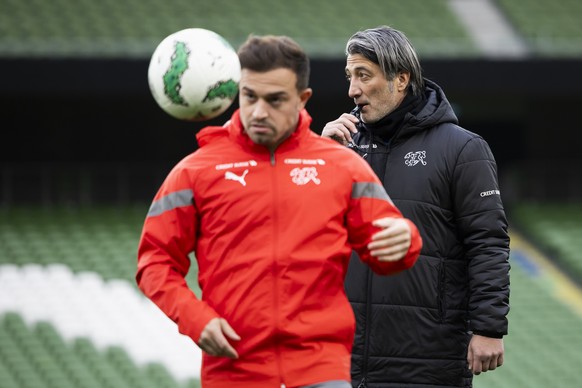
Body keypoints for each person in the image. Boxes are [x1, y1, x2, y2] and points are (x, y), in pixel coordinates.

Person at [136, 34, 423, 388]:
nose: (259, 111)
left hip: (321, 368)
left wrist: (406, 241)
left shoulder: (341, 166)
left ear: (302, 100)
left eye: (275, 100)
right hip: (234, 371)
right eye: (249, 96)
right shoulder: (194, 171)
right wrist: (195, 319)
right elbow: (154, 261)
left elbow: (389, 250)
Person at [321, 26, 510, 388]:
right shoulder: (337, 150)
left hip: (427, 358)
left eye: (364, 75)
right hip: (340, 356)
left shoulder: (463, 150)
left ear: (401, 79)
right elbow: (304, 235)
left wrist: (488, 328)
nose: (352, 90)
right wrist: (317, 158)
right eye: (349, 76)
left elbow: (488, 243)